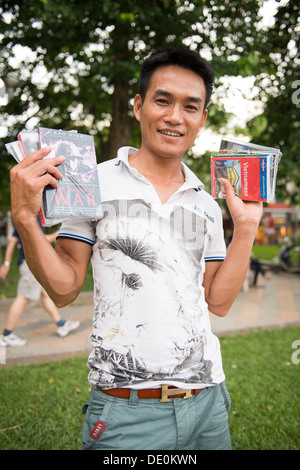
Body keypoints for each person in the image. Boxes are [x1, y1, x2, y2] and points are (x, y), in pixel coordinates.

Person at [9, 49, 263, 450]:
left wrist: (246, 228)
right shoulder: (91, 182)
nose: (175, 116)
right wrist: (25, 219)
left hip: (208, 401)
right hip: (125, 410)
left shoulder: (206, 203)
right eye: (163, 100)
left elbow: (219, 301)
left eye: (190, 107)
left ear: (202, 118)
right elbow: (64, 289)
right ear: (139, 105)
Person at [0, 217, 80, 347]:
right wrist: (59, 232)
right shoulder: (33, 216)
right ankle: (7, 335)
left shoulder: (23, 217)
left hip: (28, 263)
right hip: (31, 264)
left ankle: (61, 324)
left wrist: (7, 263)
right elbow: (41, 240)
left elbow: (13, 240)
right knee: (23, 297)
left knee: (45, 294)